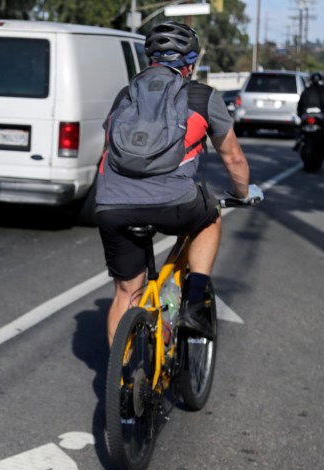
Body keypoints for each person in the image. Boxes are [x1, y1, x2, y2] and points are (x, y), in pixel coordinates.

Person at [95, 21, 250, 346]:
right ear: (189, 63)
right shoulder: (202, 96)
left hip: (112, 205)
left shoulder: (125, 96)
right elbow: (233, 158)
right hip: (175, 203)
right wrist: (242, 194)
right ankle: (194, 302)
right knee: (210, 217)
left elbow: (106, 151)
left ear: (150, 59)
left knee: (126, 292)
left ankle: (119, 384)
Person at [295, 72, 324, 150]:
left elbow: (300, 106)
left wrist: (300, 114)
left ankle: (299, 140)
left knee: (301, 127)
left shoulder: (306, 91)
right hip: (320, 115)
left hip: (307, 115)